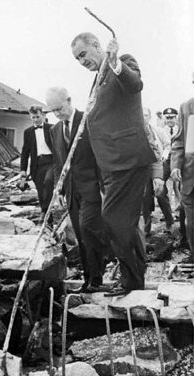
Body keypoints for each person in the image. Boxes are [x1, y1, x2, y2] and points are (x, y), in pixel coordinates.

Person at [71, 32, 157, 296]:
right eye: (77, 59)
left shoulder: (121, 64)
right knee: (125, 222)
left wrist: (115, 61)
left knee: (114, 219)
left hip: (128, 159)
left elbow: (135, 84)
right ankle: (133, 278)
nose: (81, 61)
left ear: (97, 45)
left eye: (83, 54)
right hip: (110, 164)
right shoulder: (97, 79)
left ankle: (131, 280)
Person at [46, 87, 111, 293]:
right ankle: (89, 279)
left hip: (91, 187)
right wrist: (59, 188)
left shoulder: (87, 121)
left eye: (60, 108)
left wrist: (104, 187)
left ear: (69, 100)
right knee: (82, 235)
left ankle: (98, 274)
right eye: (54, 111)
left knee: (88, 229)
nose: (58, 114)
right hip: (71, 191)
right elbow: (59, 163)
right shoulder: (54, 130)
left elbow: (100, 156)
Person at [171, 72, 194, 263]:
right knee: (192, 223)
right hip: (190, 176)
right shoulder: (186, 108)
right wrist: (175, 166)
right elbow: (179, 141)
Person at [20, 105, 54, 224]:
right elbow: (25, 152)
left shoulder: (52, 128)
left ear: (43, 116)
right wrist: (23, 170)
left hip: (51, 162)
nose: (36, 120)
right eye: (33, 117)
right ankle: (48, 218)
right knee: (41, 190)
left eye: (38, 117)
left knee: (48, 181)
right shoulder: (28, 132)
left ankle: (44, 211)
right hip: (37, 164)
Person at [142, 107, 173, 235]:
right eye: (141, 115)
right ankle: (147, 225)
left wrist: (165, 155)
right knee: (145, 196)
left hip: (160, 164)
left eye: (145, 115)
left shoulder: (158, 131)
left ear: (149, 117)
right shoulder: (137, 131)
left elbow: (167, 145)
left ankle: (169, 221)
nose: (143, 117)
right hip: (143, 168)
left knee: (160, 193)